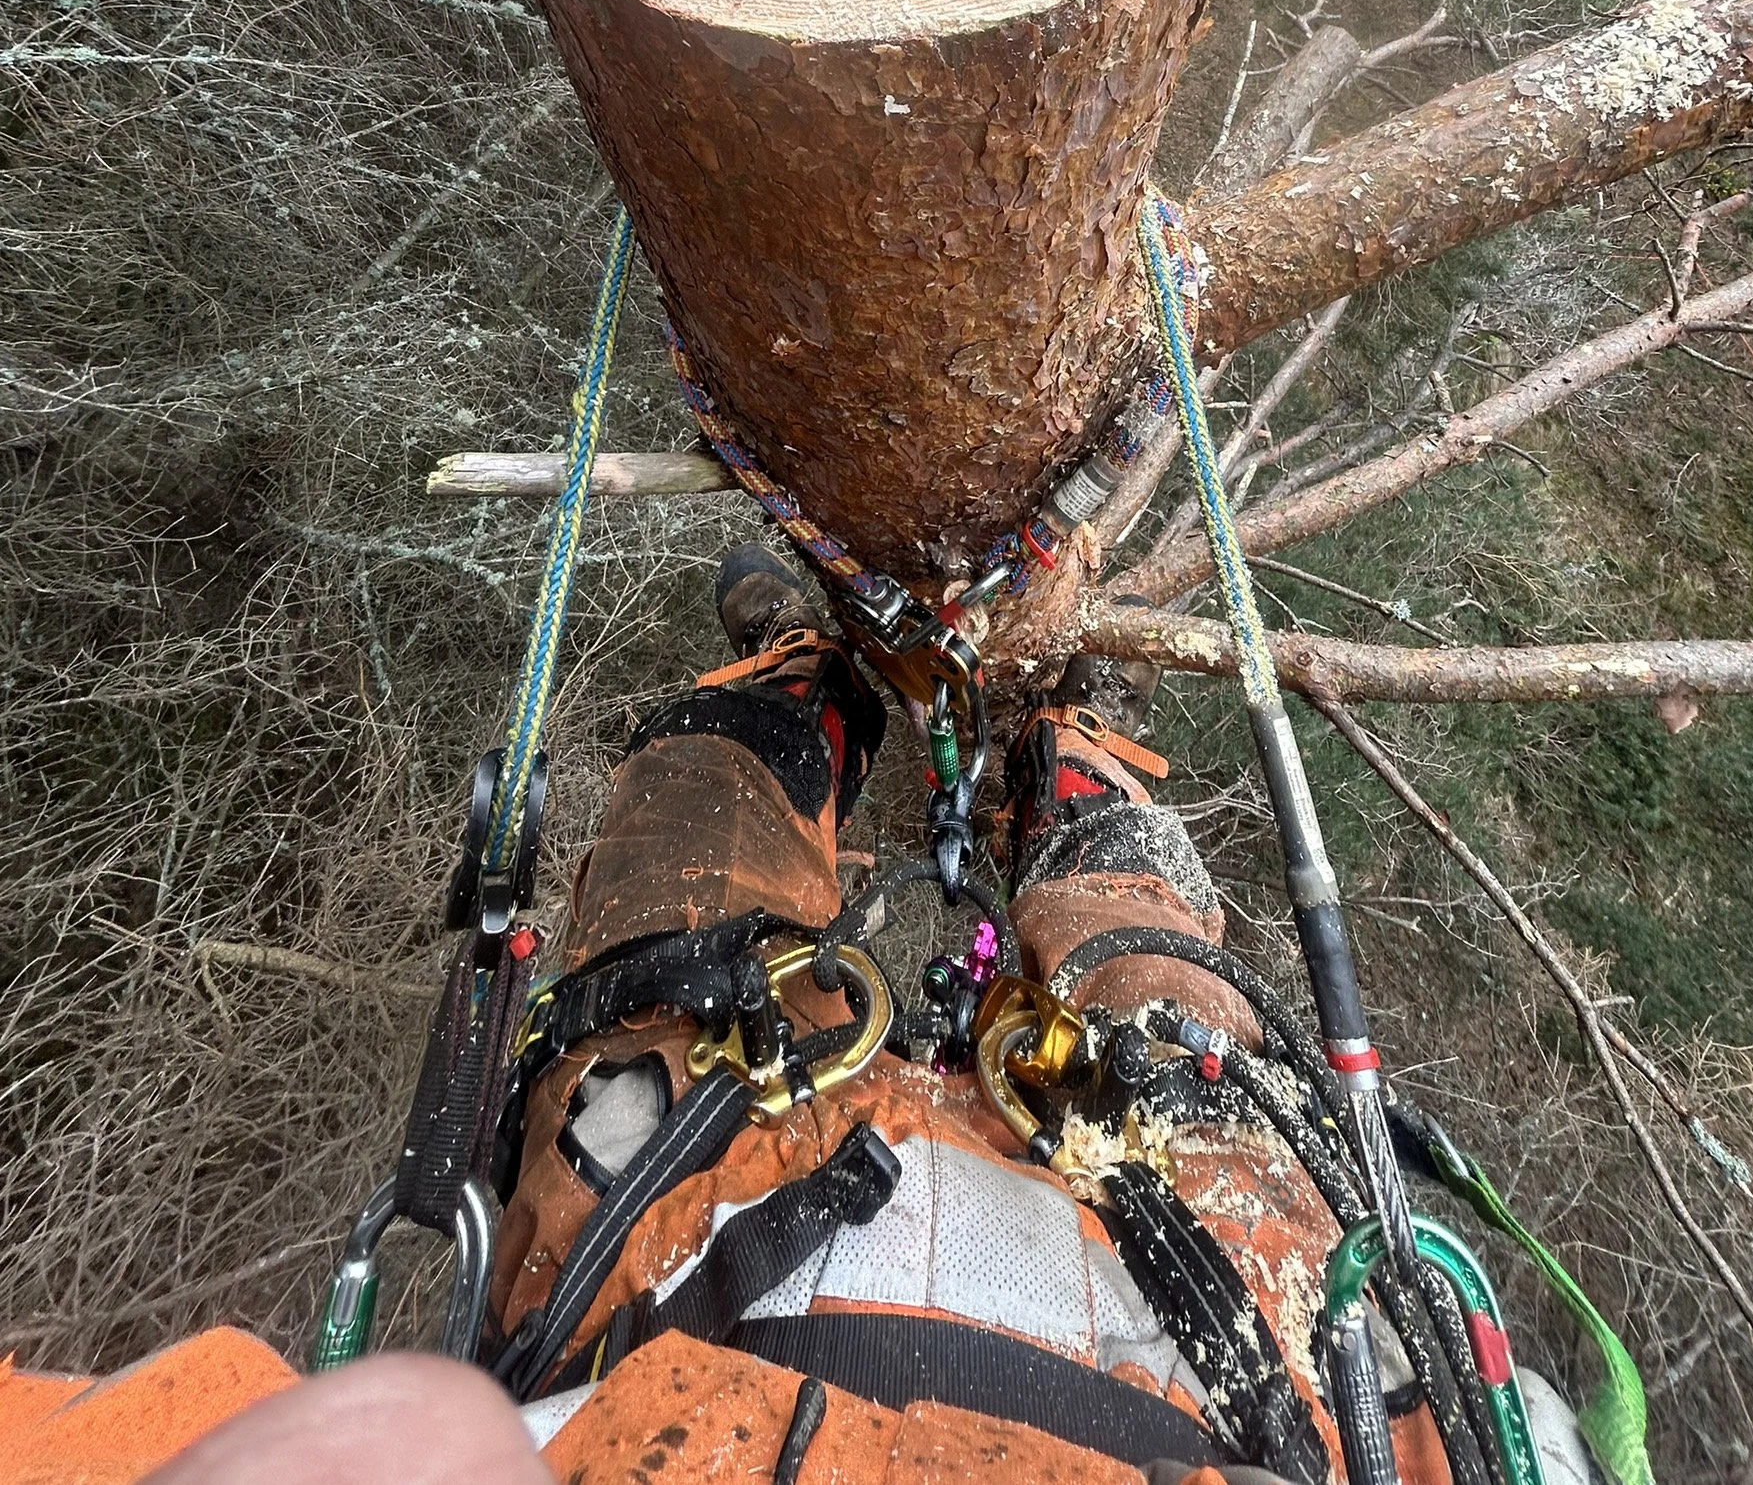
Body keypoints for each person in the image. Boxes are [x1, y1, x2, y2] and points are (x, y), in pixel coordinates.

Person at [2, 545, 1474, 1485]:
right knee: (1158, 973)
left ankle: (800, 687)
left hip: (679, 1264)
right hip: (1244, 1345)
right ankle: (1060, 750)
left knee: (685, 862)